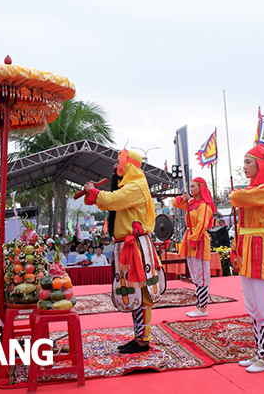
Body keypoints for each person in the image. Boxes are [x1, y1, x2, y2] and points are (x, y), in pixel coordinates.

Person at [83, 148, 166, 354]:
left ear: (129, 166)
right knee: (133, 292)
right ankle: (139, 338)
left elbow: (111, 200)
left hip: (135, 247)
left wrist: (92, 191)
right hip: (128, 246)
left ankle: (142, 340)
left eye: (119, 164)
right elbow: (108, 203)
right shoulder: (129, 186)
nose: (115, 167)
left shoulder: (136, 187)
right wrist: (92, 193)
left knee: (141, 293)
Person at [230, 145, 264, 373]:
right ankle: (261, 351)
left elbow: (237, 197)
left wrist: (235, 194)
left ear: (260, 165)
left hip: (261, 247)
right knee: (252, 303)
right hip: (248, 247)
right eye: (244, 162)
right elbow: (241, 222)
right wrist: (235, 250)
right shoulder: (255, 191)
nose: (244, 167)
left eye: (248, 162)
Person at [172, 177, 216, 317]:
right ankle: (199, 307)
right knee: (195, 275)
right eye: (190, 187)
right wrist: (182, 198)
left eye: (193, 187)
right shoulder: (191, 204)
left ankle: (203, 308)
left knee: (201, 275)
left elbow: (202, 224)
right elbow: (175, 203)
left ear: (200, 188)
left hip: (199, 240)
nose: (191, 189)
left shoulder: (204, 205)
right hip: (191, 238)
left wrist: (194, 239)